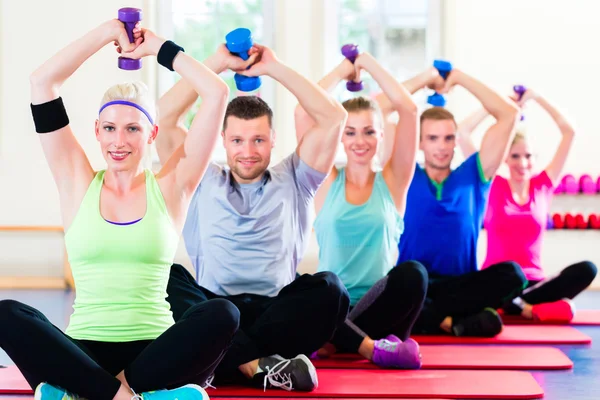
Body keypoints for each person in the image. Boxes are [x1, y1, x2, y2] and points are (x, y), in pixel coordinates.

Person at [0, 20, 240, 400]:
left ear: (152, 134)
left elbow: (215, 92)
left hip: (155, 351)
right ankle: (134, 396)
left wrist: (158, 47)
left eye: (132, 129)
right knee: (7, 313)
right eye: (110, 128)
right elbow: (41, 82)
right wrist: (107, 33)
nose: (119, 141)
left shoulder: (172, 185)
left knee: (223, 314)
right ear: (96, 130)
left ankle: (88, 393)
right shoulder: (76, 181)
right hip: (83, 352)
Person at [156, 43, 350, 391]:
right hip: (215, 311)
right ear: (223, 141)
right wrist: (216, 63)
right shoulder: (199, 176)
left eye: (258, 140)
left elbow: (334, 117)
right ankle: (258, 365)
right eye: (238, 140)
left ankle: (221, 362)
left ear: (273, 140)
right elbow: (164, 117)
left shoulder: (297, 178)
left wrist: (273, 67)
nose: (248, 151)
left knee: (331, 289)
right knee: (166, 277)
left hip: (276, 312)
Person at [293, 52, 426, 369]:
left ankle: (337, 342)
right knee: (305, 285)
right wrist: (342, 70)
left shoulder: (394, 183)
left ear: (381, 136)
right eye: (350, 132)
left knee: (414, 274)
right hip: (332, 307)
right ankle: (367, 347)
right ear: (339, 137)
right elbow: (303, 112)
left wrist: (366, 62)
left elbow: (408, 109)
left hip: (382, 308)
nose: (359, 140)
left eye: (369, 131)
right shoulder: (325, 183)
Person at [382, 66, 528, 337]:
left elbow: (509, 114)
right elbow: (378, 109)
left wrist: (459, 78)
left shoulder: (475, 173)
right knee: (401, 282)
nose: (441, 146)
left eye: (449, 138)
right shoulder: (403, 174)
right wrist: (425, 78)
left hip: (461, 285)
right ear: (419, 143)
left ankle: (433, 320)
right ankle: (454, 322)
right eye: (432, 138)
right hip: (417, 285)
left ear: (456, 141)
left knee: (514, 275)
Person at [457, 87, 598, 322]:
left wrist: (537, 97)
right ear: (504, 158)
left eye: (528, 156)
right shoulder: (492, 184)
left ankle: (519, 305)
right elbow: (462, 132)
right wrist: (499, 105)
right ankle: (525, 308)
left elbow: (569, 131)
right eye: (515, 156)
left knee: (588, 269)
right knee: (504, 277)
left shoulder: (543, 185)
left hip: (535, 283)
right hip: (499, 280)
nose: (522, 163)